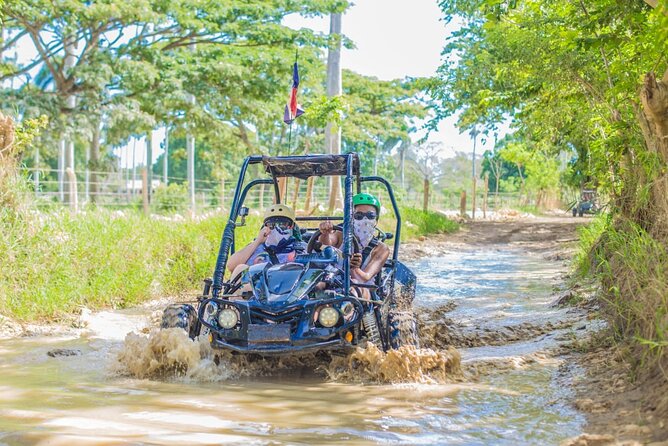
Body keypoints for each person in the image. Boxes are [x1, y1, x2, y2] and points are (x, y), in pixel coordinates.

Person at [318, 193, 390, 288]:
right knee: (317, 285)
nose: (365, 220)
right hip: (333, 279)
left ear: (376, 219)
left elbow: (365, 278)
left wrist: (354, 268)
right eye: (359, 215)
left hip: (362, 287)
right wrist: (325, 232)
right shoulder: (340, 234)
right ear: (351, 217)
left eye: (370, 215)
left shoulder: (381, 249)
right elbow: (325, 243)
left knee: (353, 290)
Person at [227, 204, 301, 280]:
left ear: (291, 226)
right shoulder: (256, 247)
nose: (277, 228)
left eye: (282, 224)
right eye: (271, 225)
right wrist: (258, 241)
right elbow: (231, 266)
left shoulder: (300, 248)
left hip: (290, 287)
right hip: (255, 289)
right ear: (265, 226)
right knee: (240, 268)